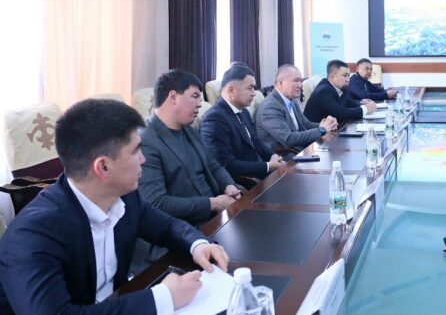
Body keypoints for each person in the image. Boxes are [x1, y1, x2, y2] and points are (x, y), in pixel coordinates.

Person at [0, 99, 230, 314]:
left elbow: (166, 227)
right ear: (103, 167)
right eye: (136, 151)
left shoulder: (125, 197)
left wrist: (197, 244)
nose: (143, 159)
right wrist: (162, 298)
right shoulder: (32, 236)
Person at [139, 69, 241, 227]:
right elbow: (157, 203)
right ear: (173, 97)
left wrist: (228, 185)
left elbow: (213, 165)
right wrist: (212, 203)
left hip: (219, 215)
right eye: (195, 96)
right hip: (187, 228)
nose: (200, 104)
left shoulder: (189, 130)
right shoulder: (146, 141)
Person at [200, 63, 284, 182]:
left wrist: (273, 156)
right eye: (250, 88)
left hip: (259, 173)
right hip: (244, 182)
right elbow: (225, 165)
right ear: (231, 90)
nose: (254, 93)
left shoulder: (243, 112)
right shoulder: (214, 119)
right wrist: (268, 166)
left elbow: (256, 143)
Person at [256, 64, 338, 154]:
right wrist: (322, 129)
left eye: (300, 81)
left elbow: (306, 124)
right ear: (281, 83)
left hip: (299, 149)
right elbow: (288, 139)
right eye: (296, 81)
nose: (300, 85)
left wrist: (327, 125)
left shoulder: (292, 100)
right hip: (284, 156)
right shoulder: (270, 107)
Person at [304, 59, 377, 124]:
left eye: (348, 76)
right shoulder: (324, 91)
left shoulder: (339, 87)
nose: (348, 79)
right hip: (317, 132)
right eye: (344, 75)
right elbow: (340, 114)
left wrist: (363, 104)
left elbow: (350, 103)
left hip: (332, 129)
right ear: (332, 76)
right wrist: (365, 109)